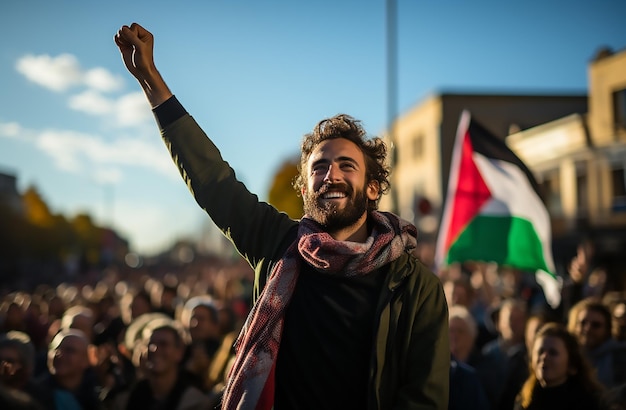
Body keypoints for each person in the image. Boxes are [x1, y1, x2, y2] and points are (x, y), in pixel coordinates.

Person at [114, 22, 450, 410]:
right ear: (306, 189)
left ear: (373, 188)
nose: (332, 175)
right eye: (319, 168)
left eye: (347, 166)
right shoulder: (277, 244)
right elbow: (213, 181)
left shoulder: (414, 286)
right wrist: (151, 81)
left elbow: (424, 398)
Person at [514, 322, 605, 410]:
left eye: (553, 353)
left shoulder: (586, 403)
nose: (544, 357)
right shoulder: (526, 399)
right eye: (540, 352)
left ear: (571, 364)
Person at [567, 297, 626, 389]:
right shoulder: (565, 355)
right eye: (583, 323)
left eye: (596, 325)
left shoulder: (620, 356)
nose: (587, 329)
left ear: (607, 330)